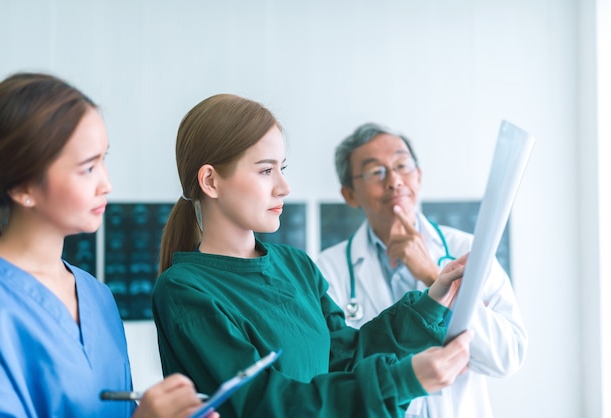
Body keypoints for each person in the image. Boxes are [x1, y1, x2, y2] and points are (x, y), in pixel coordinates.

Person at [152, 93, 474, 418]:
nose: (284, 186)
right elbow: (262, 405)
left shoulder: (297, 266)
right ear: (210, 181)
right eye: (266, 171)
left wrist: (430, 304)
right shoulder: (185, 290)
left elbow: (347, 358)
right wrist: (402, 381)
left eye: (282, 168)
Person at [0, 72, 217, 418]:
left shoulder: (97, 297)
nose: (106, 184)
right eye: (87, 168)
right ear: (22, 189)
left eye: (103, 159)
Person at [316, 122, 528, 418]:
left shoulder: (469, 250)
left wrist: (432, 274)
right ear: (350, 194)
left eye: (402, 165)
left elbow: (506, 356)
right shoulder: (326, 270)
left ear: (419, 175)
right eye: (376, 171)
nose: (394, 181)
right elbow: (337, 371)